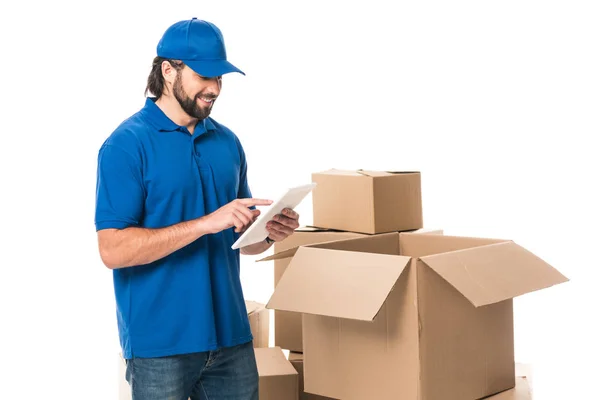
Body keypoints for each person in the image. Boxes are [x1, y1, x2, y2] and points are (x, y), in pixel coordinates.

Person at [94, 17, 300, 400]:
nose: (215, 89)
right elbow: (113, 250)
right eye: (205, 76)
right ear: (168, 70)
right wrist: (205, 223)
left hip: (231, 338)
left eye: (220, 78)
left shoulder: (227, 143)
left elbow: (241, 240)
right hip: (160, 345)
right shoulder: (126, 145)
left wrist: (268, 234)